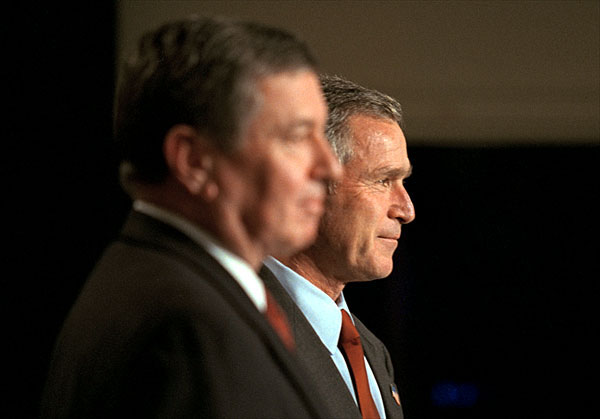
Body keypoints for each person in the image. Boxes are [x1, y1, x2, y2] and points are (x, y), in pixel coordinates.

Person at [41, 16, 342, 418]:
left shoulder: (150, 280)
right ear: (194, 161)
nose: (328, 167)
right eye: (296, 137)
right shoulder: (187, 328)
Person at [261, 74, 415, 419]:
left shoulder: (370, 350)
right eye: (382, 180)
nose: (406, 210)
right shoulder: (237, 332)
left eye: (403, 181)